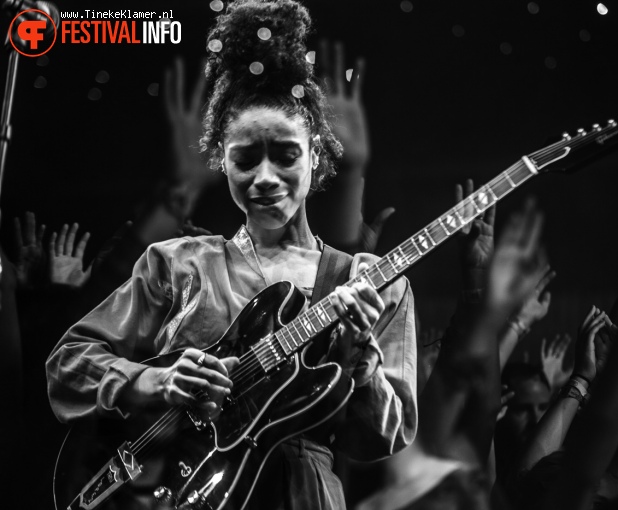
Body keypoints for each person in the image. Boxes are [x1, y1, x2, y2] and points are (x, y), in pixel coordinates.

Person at [46, 1, 417, 509]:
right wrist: (156, 379)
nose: (265, 178)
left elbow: (384, 439)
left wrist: (361, 361)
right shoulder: (176, 264)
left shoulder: (371, 283)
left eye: (286, 155)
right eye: (246, 159)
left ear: (316, 156)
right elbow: (67, 365)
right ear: (222, 160)